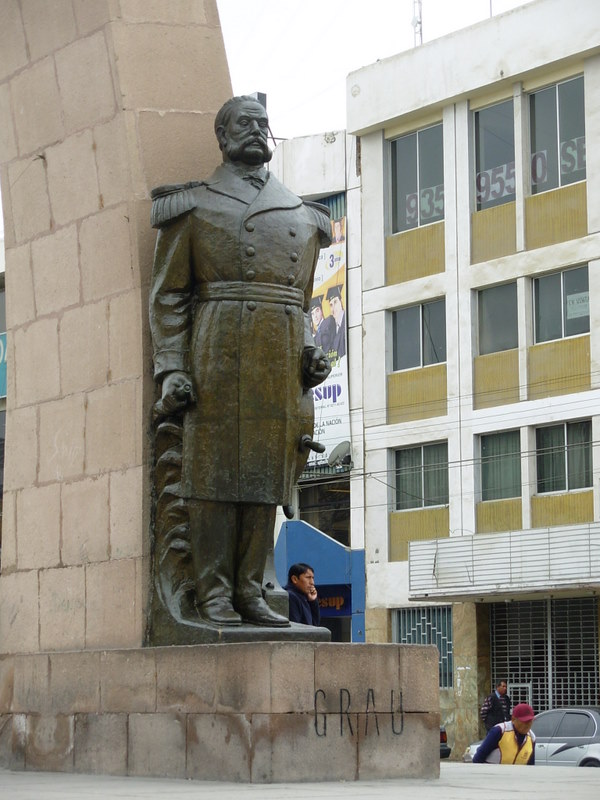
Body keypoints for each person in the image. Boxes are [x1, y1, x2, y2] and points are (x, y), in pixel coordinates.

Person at [149, 96, 332, 628]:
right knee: (213, 479)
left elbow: (301, 303)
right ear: (222, 137)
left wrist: (308, 355)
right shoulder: (195, 205)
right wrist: (172, 366)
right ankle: (213, 595)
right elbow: (169, 294)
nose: (256, 132)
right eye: (244, 125)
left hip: (276, 360)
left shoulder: (300, 213)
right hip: (219, 346)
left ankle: (250, 592)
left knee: (265, 482)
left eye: (263, 124)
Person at [326, 284, 346, 360]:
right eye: (331, 305)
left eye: (335, 302)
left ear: (341, 301)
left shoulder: (347, 321)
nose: (333, 307)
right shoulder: (332, 329)